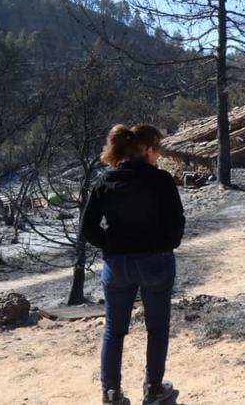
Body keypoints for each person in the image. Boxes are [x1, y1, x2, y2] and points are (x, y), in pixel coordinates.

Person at [81, 124, 185, 405]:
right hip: (156, 261)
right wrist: (166, 243)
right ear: (149, 149)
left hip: (117, 264)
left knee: (114, 330)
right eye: (158, 150)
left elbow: (88, 227)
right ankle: (153, 388)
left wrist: (111, 245)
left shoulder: (105, 180)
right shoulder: (161, 180)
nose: (159, 156)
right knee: (157, 328)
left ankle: (111, 393)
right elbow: (177, 226)